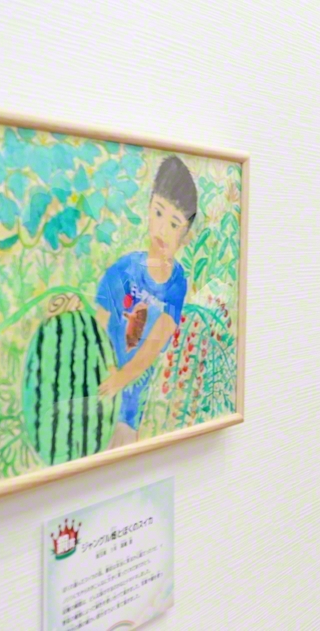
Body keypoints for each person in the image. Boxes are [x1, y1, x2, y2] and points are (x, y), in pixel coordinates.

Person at [96, 156, 197, 447]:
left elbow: (152, 347)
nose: (162, 229)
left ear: (185, 235)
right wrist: (105, 373)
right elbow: (98, 325)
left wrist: (120, 379)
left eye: (174, 223)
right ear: (149, 207)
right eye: (159, 212)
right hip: (99, 381)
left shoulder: (176, 284)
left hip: (131, 403)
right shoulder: (124, 269)